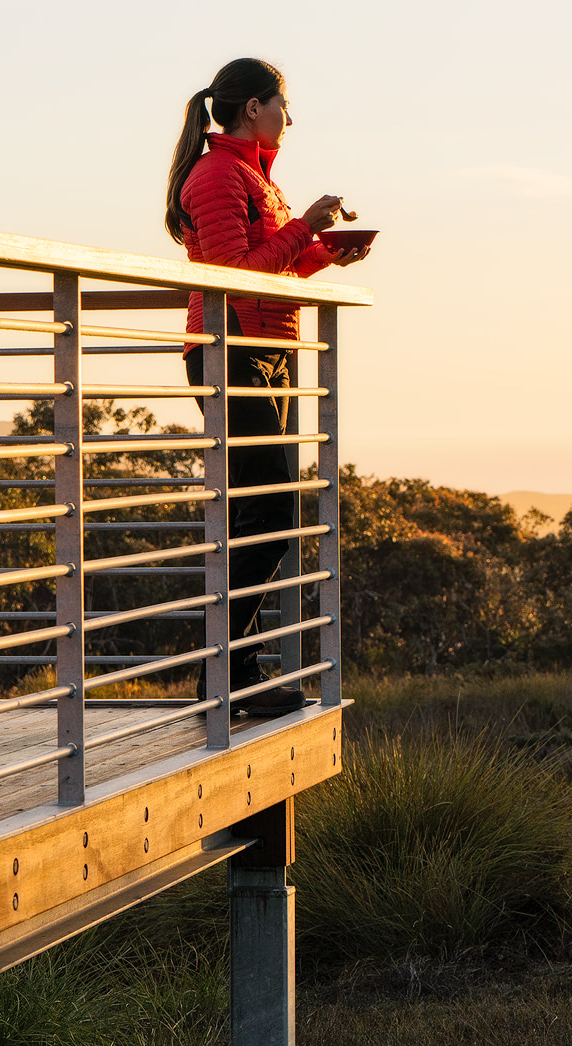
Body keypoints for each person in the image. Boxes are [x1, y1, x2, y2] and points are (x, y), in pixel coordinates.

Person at [164, 57, 370, 715]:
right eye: (282, 104)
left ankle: (234, 671)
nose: (290, 117)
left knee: (264, 513)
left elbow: (271, 268)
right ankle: (224, 676)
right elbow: (232, 273)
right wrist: (304, 226)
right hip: (232, 353)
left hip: (265, 352)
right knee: (268, 514)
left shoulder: (252, 175)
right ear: (252, 107)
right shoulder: (217, 174)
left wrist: (323, 252)